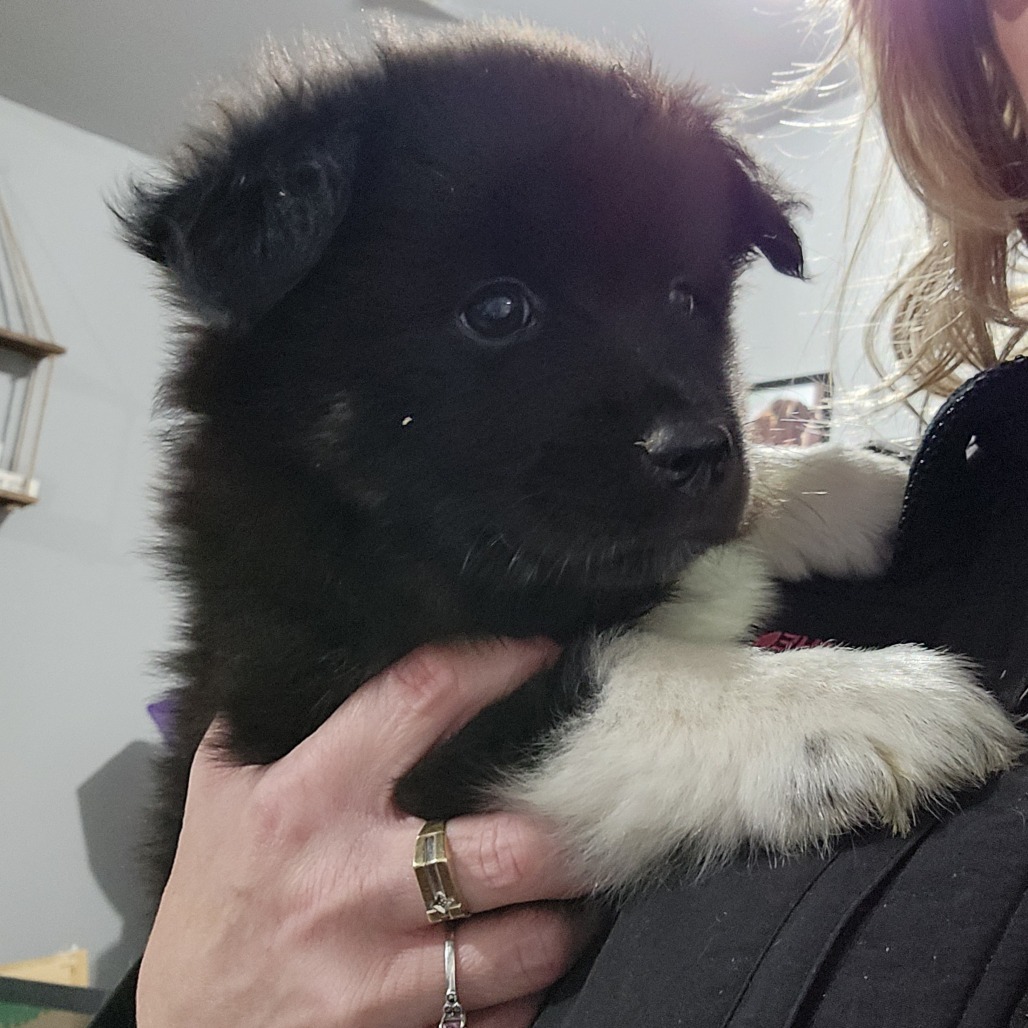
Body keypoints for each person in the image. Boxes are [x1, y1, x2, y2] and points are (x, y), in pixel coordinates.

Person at [90, 0, 1028, 1024]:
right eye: (498, 312)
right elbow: (409, 746)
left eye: (683, 297)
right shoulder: (302, 614)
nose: (678, 417)